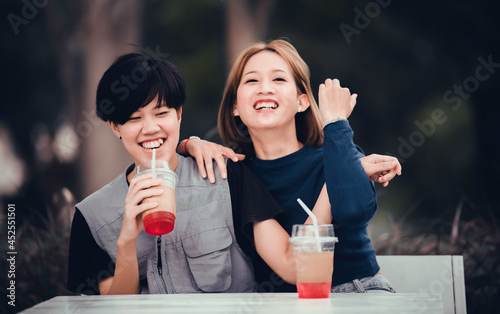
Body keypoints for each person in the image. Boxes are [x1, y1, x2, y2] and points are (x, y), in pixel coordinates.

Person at [67, 53, 314, 295]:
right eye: (134, 118)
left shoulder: (227, 177)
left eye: (161, 113)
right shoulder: (92, 216)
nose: (151, 128)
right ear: (115, 127)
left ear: (179, 115)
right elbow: (111, 311)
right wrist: (127, 242)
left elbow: (293, 265)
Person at [182, 39, 402, 293]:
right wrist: (189, 144)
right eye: (252, 80)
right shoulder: (236, 174)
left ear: (302, 102)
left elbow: (355, 212)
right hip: (283, 304)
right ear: (234, 107)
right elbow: (167, 157)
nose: (265, 88)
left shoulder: (337, 152)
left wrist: (335, 122)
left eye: (278, 80)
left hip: (359, 290)